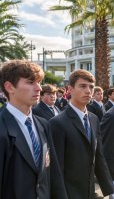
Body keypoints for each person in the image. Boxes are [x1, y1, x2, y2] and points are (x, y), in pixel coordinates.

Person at [0, 60, 67, 199]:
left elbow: (53, 172)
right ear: (9, 87)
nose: (39, 88)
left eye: (39, 82)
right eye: (31, 82)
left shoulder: (43, 124)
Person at [49, 69, 114, 199]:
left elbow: (98, 155)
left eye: (91, 87)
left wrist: (109, 188)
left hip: (90, 191)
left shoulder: (94, 119)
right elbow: (56, 168)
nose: (88, 91)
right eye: (82, 86)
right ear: (70, 89)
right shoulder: (57, 123)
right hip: (69, 192)